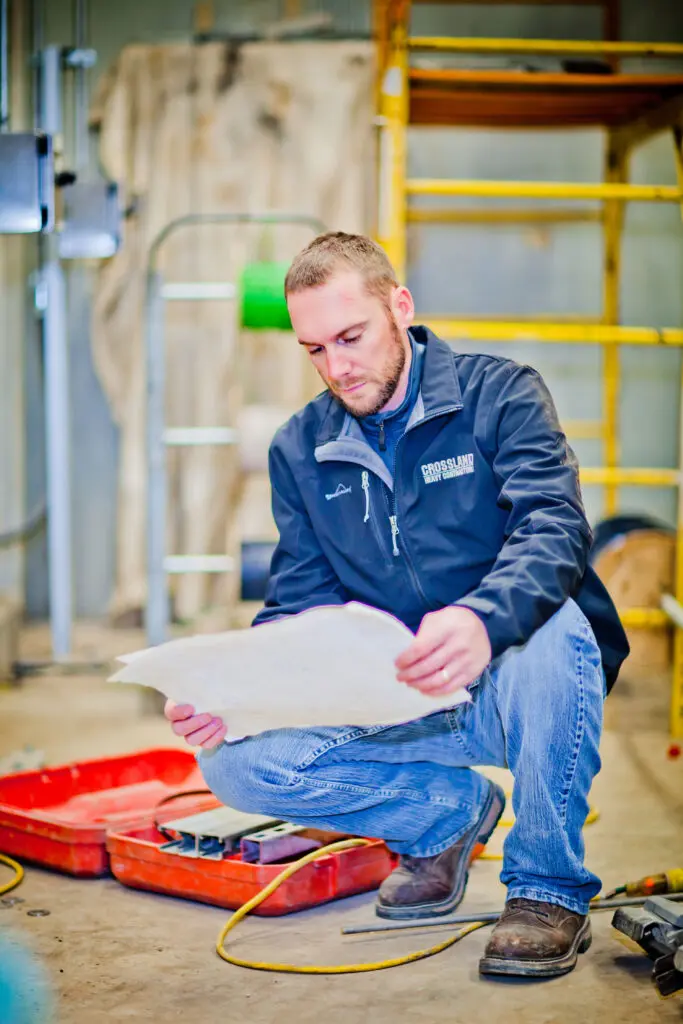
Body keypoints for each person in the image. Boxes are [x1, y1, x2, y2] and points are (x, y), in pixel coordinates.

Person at [165, 232, 629, 979]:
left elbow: (554, 526)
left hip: (519, 685)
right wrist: (238, 696)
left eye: (350, 336)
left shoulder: (498, 394)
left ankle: (546, 889)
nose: (336, 366)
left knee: (555, 629)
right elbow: (299, 598)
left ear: (399, 307)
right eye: (313, 348)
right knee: (233, 762)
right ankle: (442, 820)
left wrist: (483, 619)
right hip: (397, 696)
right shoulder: (300, 447)